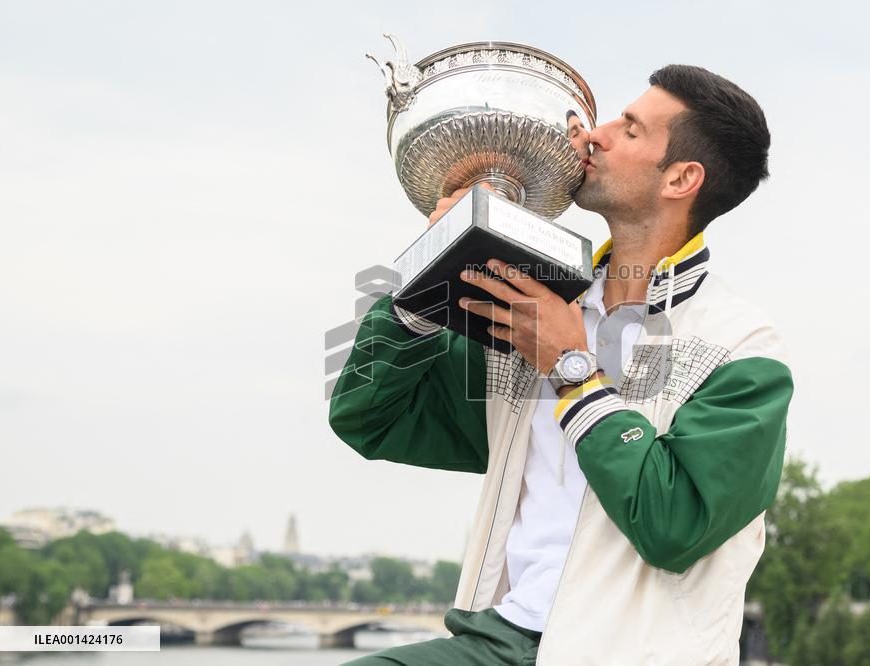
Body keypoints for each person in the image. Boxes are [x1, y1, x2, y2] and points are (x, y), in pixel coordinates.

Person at [329, 64, 793, 665]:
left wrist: (572, 367)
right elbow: (371, 418)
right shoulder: (533, 310)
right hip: (501, 644)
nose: (593, 134)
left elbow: (674, 526)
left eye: (629, 130)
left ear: (681, 177)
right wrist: (432, 271)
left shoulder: (744, 348)